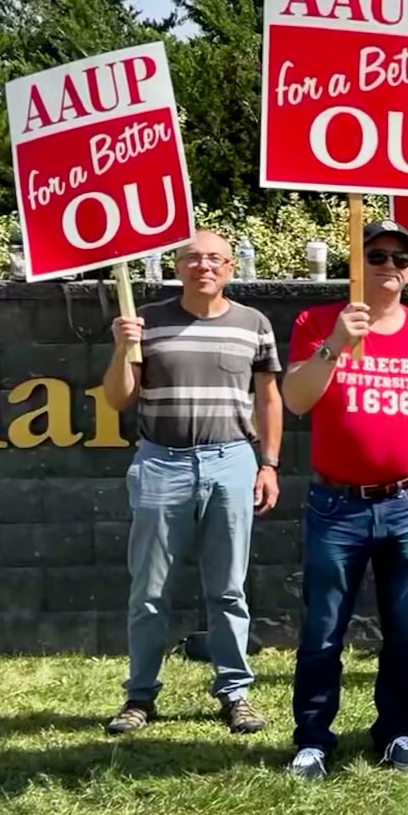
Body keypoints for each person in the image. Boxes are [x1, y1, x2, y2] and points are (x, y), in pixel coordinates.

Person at [282, 219, 408, 779]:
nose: (390, 267)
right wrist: (335, 344)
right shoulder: (315, 322)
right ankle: (314, 737)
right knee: (323, 628)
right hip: (336, 506)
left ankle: (397, 731)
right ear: (356, 264)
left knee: (407, 628)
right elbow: (295, 398)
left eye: (400, 259)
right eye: (378, 256)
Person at [98, 230, 283, 737]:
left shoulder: (254, 324)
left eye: (215, 258)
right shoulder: (147, 321)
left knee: (228, 589)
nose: (204, 266)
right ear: (177, 266)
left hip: (231, 461)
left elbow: (268, 399)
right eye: (193, 258)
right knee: (149, 591)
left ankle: (235, 692)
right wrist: (122, 348)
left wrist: (269, 463)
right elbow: (117, 399)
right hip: (161, 463)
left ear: (231, 267)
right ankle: (139, 695)